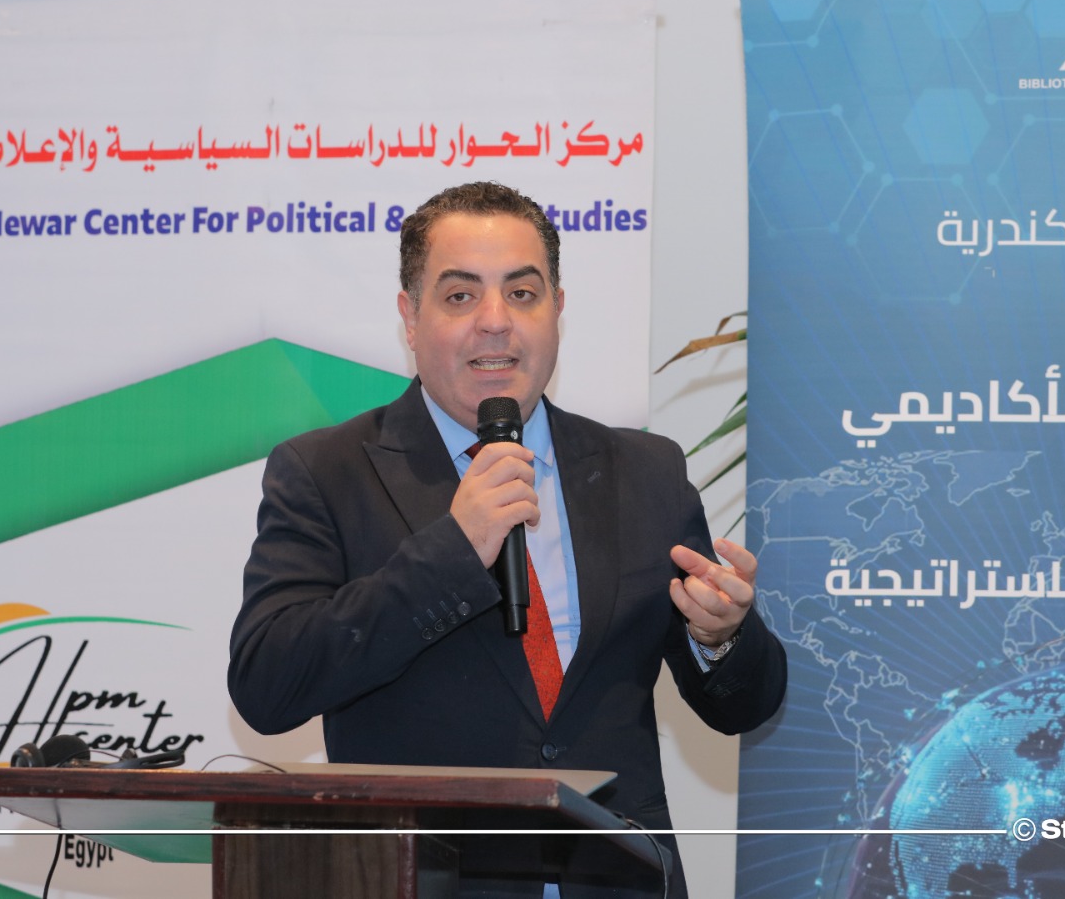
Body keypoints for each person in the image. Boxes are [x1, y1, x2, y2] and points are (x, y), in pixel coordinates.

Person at [228, 181, 787, 897]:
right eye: (460, 296)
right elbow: (268, 686)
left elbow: (742, 707)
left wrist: (722, 637)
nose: (495, 322)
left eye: (522, 294)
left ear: (557, 308)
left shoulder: (645, 470)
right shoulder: (327, 472)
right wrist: (453, 550)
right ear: (410, 317)